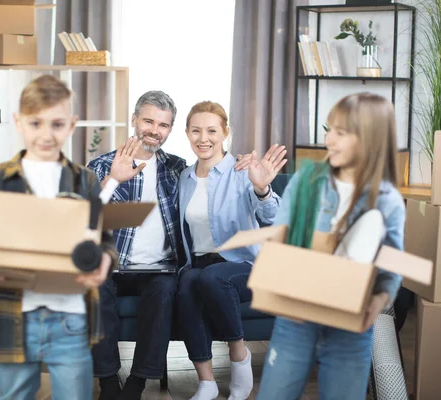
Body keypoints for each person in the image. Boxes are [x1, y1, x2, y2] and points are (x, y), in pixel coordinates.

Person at [0, 74, 119, 400]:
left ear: (72, 125)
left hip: (71, 317)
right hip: (14, 314)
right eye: (35, 123)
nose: (46, 135)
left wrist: (105, 262)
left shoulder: (84, 180)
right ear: (18, 122)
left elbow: (104, 241)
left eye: (57, 124)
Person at [88, 92, 252, 400]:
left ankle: (138, 382)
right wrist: (112, 179)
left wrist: (240, 163)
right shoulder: (101, 165)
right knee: (97, 289)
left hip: (160, 267)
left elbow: (213, 173)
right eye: (148, 121)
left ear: (170, 129)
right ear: (134, 120)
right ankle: (108, 382)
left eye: (163, 125)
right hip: (112, 263)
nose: (154, 130)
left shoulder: (177, 168)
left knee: (165, 291)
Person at [255, 92, 406, 400]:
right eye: (329, 130)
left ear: (369, 138)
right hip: (296, 319)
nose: (329, 140)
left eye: (341, 132)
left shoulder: (388, 200)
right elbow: (279, 237)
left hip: (350, 328)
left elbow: (391, 267)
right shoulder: (308, 180)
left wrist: (376, 305)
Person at [176, 101, 287, 400]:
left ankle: (239, 353)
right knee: (187, 282)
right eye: (196, 130)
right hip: (199, 266)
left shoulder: (243, 171)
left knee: (212, 277)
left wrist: (263, 189)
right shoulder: (184, 179)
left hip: (245, 265)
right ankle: (207, 383)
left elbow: (272, 219)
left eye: (212, 130)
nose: (204, 138)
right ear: (186, 133)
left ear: (225, 132)